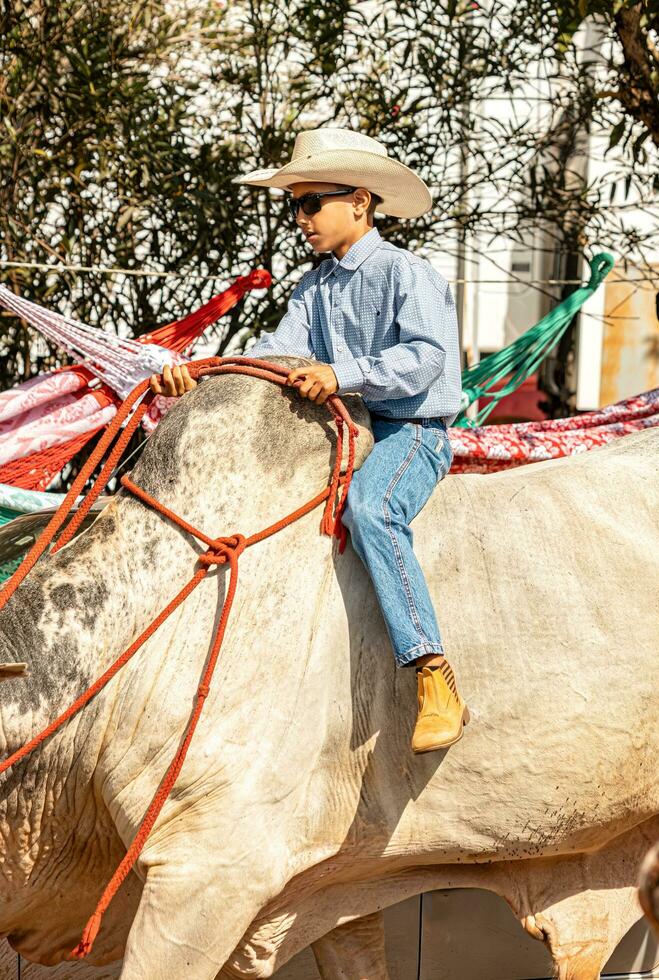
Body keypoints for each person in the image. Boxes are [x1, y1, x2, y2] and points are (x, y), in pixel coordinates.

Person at [151, 127, 469, 753]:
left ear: (359, 201)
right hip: (343, 432)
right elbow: (277, 354)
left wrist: (341, 374)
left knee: (372, 509)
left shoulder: (410, 274)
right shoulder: (314, 288)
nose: (299, 218)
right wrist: (203, 373)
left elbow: (429, 359)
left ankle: (432, 672)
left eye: (309, 202)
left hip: (409, 432)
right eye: (293, 205)